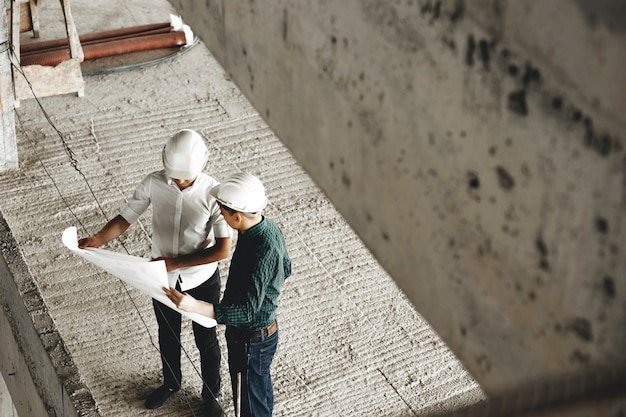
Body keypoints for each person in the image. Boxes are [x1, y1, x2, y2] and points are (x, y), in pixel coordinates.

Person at [78, 129, 231, 416]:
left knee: (206, 339)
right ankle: (171, 383)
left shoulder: (214, 194)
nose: (177, 181)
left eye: (183, 177)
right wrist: (98, 238)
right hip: (161, 279)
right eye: (173, 175)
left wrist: (173, 263)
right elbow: (126, 218)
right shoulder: (153, 182)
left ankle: (211, 395)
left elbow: (223, 250)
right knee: (167, 333)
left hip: (201, 280)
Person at [164, 172, 291, 417]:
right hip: (263, 336)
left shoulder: (260, 250)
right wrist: (263, 293)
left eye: (222, 209)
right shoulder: (266, 228)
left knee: (248, 406)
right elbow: (286, 268)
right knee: (259, 392)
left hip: (249, 341)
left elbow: (245, 312)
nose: (219, 212)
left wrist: (195, 306)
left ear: (237, 215)